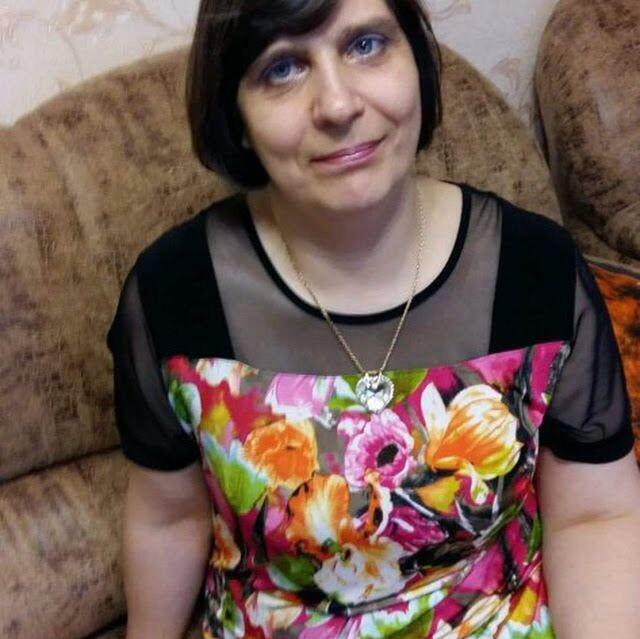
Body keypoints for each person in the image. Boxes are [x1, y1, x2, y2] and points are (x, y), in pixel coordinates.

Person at [106, 0, 640, 637]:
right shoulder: (174, 291)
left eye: (365, 45)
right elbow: (168, 520)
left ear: (417, 61)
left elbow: (595, 517)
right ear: (235, 115)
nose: (337, 105)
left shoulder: (537, 268)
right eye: (281, 68)